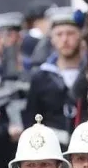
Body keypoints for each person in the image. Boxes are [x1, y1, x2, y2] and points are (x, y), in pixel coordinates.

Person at [23, 8, 83, 143]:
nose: (65, 39)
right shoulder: (41, 77)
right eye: (59, 34)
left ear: (80, 35)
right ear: (52, 39)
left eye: (70, 33)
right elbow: (31, 120)